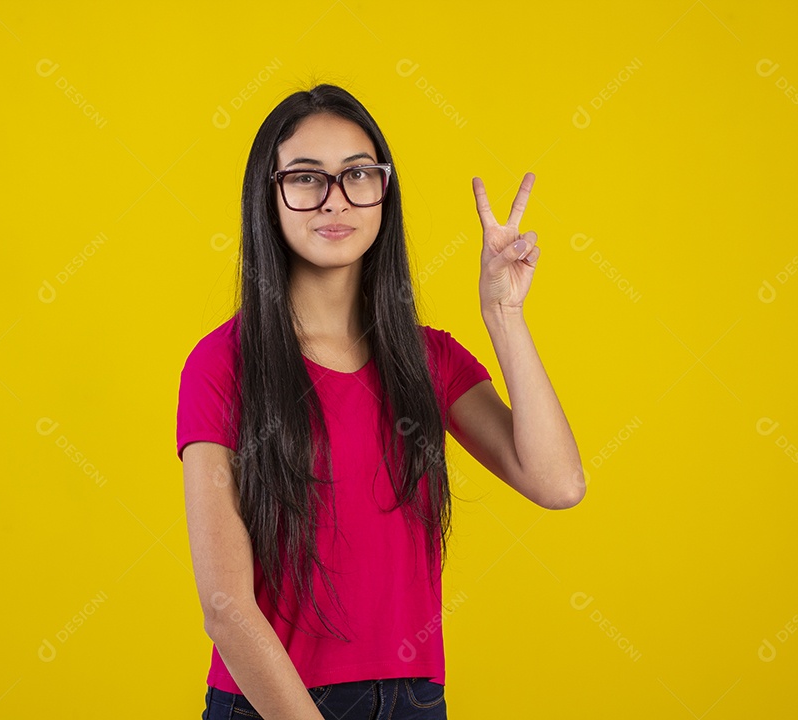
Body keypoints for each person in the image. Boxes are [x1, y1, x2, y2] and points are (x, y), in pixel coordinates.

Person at [177, 83, 583, 720]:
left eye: (358, 174)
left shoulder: (429, 359)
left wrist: (503, 312)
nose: (335, 200)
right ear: (269, 195)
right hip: (271, 705)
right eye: (307, 178)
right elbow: (226, 608)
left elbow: (558, 483)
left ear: (383, 192)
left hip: (415, 701)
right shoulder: (223, 364)